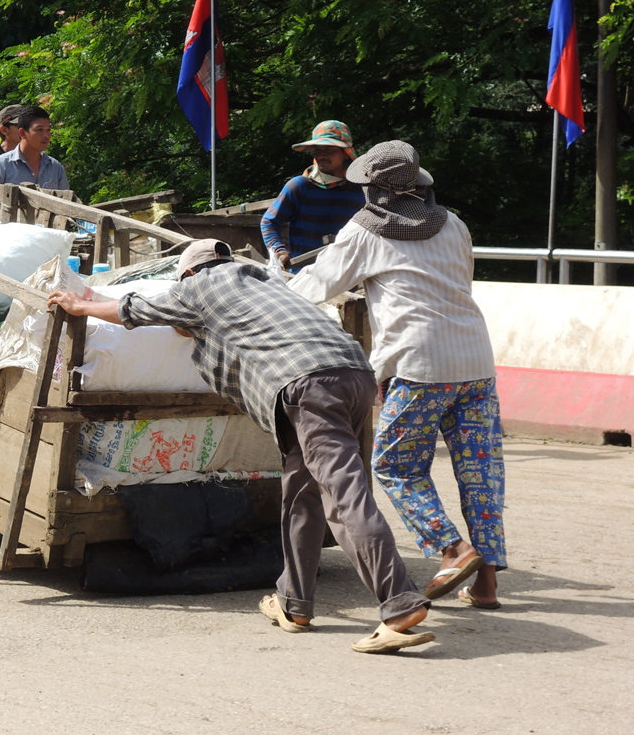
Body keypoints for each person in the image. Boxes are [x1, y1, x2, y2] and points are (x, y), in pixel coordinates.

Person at [47, 239, 434, 653]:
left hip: (308, 385)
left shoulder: (196, 287)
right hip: (354, 375)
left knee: (343, 494)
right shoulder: (265, 280)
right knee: (303, 495)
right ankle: (295, 603)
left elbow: (133, 310)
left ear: (190, 273)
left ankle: (398, 603)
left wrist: (82, 305)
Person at [288, 140, 507, 610]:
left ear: (372, 189)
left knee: (395, 467)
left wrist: (273, 286)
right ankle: (485, 584)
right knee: (480, 473)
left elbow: (316, 287)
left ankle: (452, 550)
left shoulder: (366, 230)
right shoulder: (454, 224)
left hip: (418, 364)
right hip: (475, 361)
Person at [260, 120, 363, 269]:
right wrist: (279, 250)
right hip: (304, 277)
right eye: (318, 150)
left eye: (328, 149)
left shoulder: (360, 189)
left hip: (348, 276)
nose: (322, 155)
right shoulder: (299, 186)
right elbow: (269, 222)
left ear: (346, 153)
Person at [0, 105, 70, 190]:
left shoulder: (56, 168)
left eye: (48, 130)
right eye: (39, 130)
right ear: (22, 133)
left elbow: (66, 203)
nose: (47, 136)